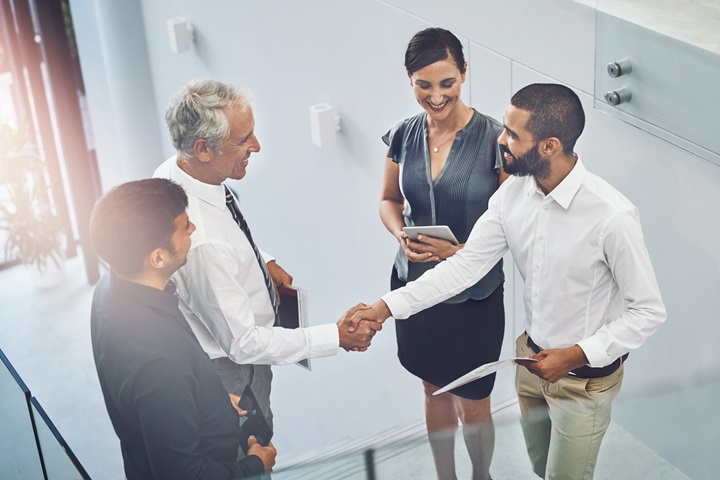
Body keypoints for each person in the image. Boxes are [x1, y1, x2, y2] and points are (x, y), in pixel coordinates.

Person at [346, 83, 666, 480]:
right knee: (538, 467)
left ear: (549, 146)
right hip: (531, 364)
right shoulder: (512, 195)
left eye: (513, 134)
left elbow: (648, 311)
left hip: (583, 381)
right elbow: (465, 267)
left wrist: (576, 354)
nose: (501, 139)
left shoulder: (612, 217)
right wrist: (383, 307)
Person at [153, 78, 380, 433]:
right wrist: (335, 337)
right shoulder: (203, 245)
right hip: (233, 374)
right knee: (253, 457)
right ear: (202, 149)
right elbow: (243, 344)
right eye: (243, 140)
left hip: (226, 351)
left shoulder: (176, 172)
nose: (256, 146)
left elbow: (225, 231)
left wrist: (263, 260)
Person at [379, 27, 506, 480]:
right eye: (424, 85)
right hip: (415, 286)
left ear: (465, 73)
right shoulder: (402, 135)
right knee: (432, 391)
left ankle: (480, 476)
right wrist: (400, 235)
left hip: (474, 297)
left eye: (447, 83)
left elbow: (514, 227)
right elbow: (389, 200)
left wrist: (462, 252)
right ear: (409, 79)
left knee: (474, 405)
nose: (436, 96)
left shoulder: (497, 141)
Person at [89, 178, 277, 479]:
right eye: (184, 226)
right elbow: (182, 474)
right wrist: (255, 464)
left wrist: (210, 396)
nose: (193, 229)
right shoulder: (161, 361)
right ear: (158, 257)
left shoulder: (109, 288)